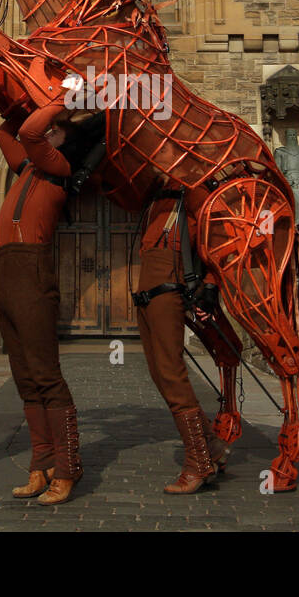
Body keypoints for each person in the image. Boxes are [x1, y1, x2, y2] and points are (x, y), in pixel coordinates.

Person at [0, 93, 104, 506]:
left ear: (62, 139)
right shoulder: (26, 168)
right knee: (24, 377)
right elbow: (9, 129)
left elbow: (28, 131)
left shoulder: (58, 168)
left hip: (33, 273)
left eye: (54, 130)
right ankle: (40, 465)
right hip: (6, 273)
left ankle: (67, 466)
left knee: (45, 374)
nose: (46, 132)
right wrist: (20, 98)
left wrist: (60, 100)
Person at [131, 187, 231, 495]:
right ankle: (211, 446)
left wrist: (211, 285)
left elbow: (220, 239)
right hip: (146, 289)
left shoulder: (194, 194)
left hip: (168, 288)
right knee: (159, 373)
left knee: (172, 373)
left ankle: (198, 462)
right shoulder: (154, 196)